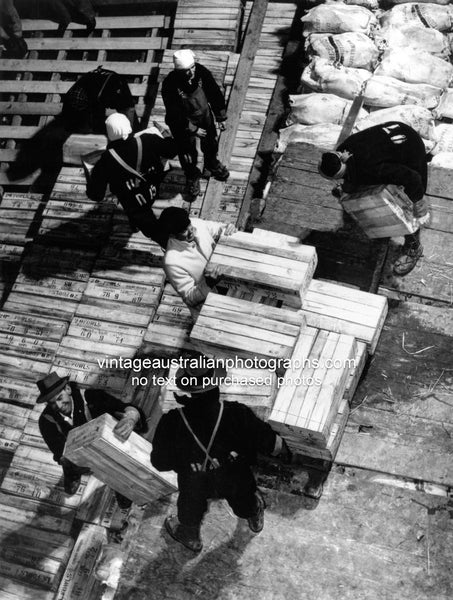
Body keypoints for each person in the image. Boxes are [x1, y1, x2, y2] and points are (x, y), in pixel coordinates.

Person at [150, 357, 291, 552]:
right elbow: (270, 443)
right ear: (215, 386)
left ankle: (190, 536)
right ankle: (253, 515)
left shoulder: (171, 422)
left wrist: (189, 462)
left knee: (190, 506)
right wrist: (283, 450)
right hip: (234, 478)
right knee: (244, 498)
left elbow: (159, 463)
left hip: (195, 482)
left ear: (189, 391)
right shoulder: (237, 413)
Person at [318, 121, 430, 276]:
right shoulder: (342, 151)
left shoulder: (369, 168)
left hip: (409, 150)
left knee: (408, 205)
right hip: (394, 137)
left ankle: (413, 245)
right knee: (360, 183)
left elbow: (412, 177)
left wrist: (418, 200)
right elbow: (357, 169)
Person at [36, 371, 147, 508]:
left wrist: (131, 416)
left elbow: (123, 407)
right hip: (76, 452)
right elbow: (59, 451)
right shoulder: (46, 421)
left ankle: (120, 485)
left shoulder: (91, 397)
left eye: (60, 398)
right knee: (69, 463)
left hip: (103, 446)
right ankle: (71, 474)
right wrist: (70, 463)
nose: (58, 406)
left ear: (68, 389)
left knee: (115, 466)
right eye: (52, 404)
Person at [86, 113, 178, 248]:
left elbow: (96, 195)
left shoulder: (106, 160)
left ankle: (166, 244)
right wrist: (167, 135)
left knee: (151, 228)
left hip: (133, 203)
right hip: (151, 187)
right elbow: (172, 151)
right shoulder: (147, 139)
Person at [162, 49, 229, 200]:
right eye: (187, 70)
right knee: (186, 153)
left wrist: (220, 116)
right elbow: (174, 114)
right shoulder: (169, 84)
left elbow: (214, 92)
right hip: (181, 123)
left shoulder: (200, 71)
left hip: (203, 116)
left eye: (192, 68)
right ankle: (192, 176)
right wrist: (193, 129)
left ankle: (212, 164)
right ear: (178, 71)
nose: (191, 72)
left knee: (211, 142)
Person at [159, 207, 236, 317]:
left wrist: (228, 228)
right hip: (211, 307)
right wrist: (208, 283)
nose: (190, 231)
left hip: (230, 286)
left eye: (189, 225)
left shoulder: (196, 224)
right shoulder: (172, 262)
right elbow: (189, 298)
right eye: (183, 231)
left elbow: (219, 229)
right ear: (172, 235)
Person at [62, 66, 136, 134]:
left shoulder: (116, 87)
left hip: (100, 90)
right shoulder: (112, 88)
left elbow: (129, 109)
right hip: (89, 95)